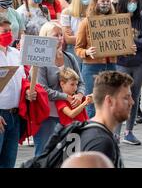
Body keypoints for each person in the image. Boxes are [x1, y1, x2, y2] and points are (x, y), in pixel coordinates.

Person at [34, 21, 85, 156]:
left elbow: (81, 83)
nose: (59, 38)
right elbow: (42, 89)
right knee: (44, 154)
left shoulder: (70, 57)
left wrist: (79, 95)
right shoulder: (41, 60)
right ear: (45, 37)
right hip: (48, 116)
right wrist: (64, 96)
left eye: (61, 35)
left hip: (69, 114)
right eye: (55, 35)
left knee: (69, 155)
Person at [115, 0, 142, 145]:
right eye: (129, 1)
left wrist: (132, 44)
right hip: (121, 64)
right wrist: (131, 44)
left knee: (134, 97)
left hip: (139, 64)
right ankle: (115, 133)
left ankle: (129, 132)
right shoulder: (115, 20)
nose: (132, 4)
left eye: (135, 1)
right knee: (120, 96)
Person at [75, 0, 118, 118]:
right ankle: (93, 134)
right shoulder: (86, 22)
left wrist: (128, 48)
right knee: (92, 105)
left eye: (108, 2)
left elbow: (120, 43)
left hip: (110, 67)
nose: (105, 4)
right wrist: (87, 52)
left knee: (110, 103)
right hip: (92, 68)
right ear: (95, 3)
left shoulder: (115, 21)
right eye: (102, 1)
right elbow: (78, 48)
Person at [79, 71, 133, 168]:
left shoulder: (86, 129)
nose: (132, 102)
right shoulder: (101, 142)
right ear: (109, 101)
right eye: (126, 97)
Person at [0, 16, 28, 168]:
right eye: (5, 31)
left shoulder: (16, 54)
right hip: (0, 115)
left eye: (10, 31)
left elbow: (22, 81)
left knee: (9, 162)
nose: (9, 34)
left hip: (15, 115)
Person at [61, 0, 93, 69]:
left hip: (90, 51)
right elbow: (68, 39)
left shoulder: (94, 13)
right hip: (73, 51)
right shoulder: (67, 12)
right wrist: (88, 38)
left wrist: (77, 37)